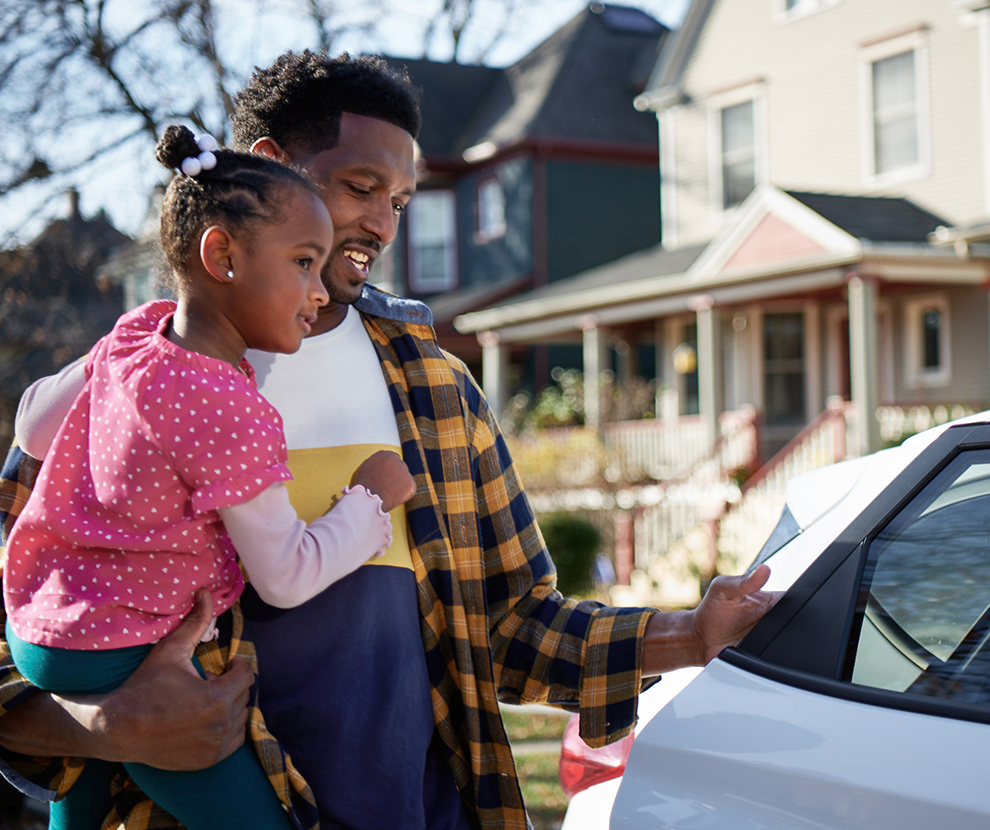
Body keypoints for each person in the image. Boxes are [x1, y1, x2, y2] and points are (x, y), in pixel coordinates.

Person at [0, 51, 778, 830]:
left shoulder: (437, 393)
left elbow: (513, 625)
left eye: (400, 201)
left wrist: (688, 633)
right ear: (271, 169)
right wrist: (98, 726)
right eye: (360, 188)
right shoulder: (116, 390)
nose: (381, 223)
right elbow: (22, 624)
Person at [3, 125, 416, 830]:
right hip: (119, 656)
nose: (317, 292)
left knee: (85, 802)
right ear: (221, 255)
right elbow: (286, 574)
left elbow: (35, 427)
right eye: (303, 264)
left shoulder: (139, 337)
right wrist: (369, 499)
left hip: (41, 635)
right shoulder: (231, 408)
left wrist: (107, 370)